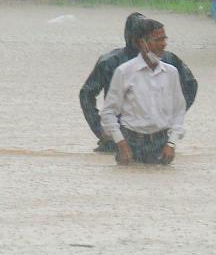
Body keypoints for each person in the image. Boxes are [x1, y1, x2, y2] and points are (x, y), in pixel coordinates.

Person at [80, 12, 198, 153]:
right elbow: (87, 94)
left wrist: (169, 121)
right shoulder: (110, 63)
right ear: (138, 39)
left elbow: (190, 86)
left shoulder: (168, 61)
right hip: (120, 138)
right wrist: (102, 129)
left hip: (156, 141)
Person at [100, 19, 187, 165]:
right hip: (131, 143)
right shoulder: (124, 72)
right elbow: (108, 112)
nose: (163, 44)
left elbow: (179, 111)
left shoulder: (172, 72)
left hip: (161, 145)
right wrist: (121, 144)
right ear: (142, 43)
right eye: (157, 39)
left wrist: (171, 144)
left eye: (164, 38)